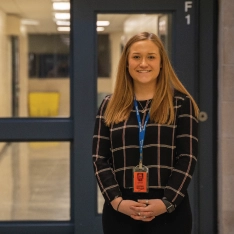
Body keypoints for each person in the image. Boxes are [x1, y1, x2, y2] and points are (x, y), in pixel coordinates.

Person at [92, 32, 199, 234]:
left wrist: (167, 201)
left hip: (170, 210)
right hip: (121, 209)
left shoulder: (181, 104)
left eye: (151, 57)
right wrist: (116, 201)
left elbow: (187, 157)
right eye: (136, 57)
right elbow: (100, 159)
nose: (143, 63)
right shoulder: (109, 104)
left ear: (161, 64)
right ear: (126, 63)